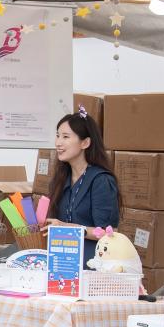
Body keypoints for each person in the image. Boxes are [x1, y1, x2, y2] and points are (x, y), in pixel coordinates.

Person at [40, 110, 121, 261]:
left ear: (85, 143)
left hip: (92, 266)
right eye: (57, 135)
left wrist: (67, 228)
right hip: (63, 263)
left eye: (65, 137)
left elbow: (108, 233)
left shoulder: (101, 180)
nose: (58, 142)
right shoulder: (61, 179)